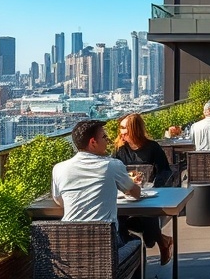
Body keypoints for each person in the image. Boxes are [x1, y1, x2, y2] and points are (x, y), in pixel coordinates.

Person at [52, 120, 173, 267]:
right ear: (93, 142)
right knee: (135, 242)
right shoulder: (111, 165)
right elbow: (136, 193)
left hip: (68, 248)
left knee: (125, 225)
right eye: (104, 137)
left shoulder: (58, 169)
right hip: (105, 247)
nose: (108, 140)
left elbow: (59, 201)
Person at [110, 114, 174, 265]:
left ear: (134, 129)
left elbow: (164, 172)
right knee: (118, 219)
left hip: (150, 194)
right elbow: (113, 173)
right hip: (127, 194)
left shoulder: (153, 148)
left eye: (124, 128)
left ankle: (154, 242)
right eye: (121, 128)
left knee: (148, 223)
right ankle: (133, 255)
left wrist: (156, 187)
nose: (121, 131)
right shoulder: (120, 150)